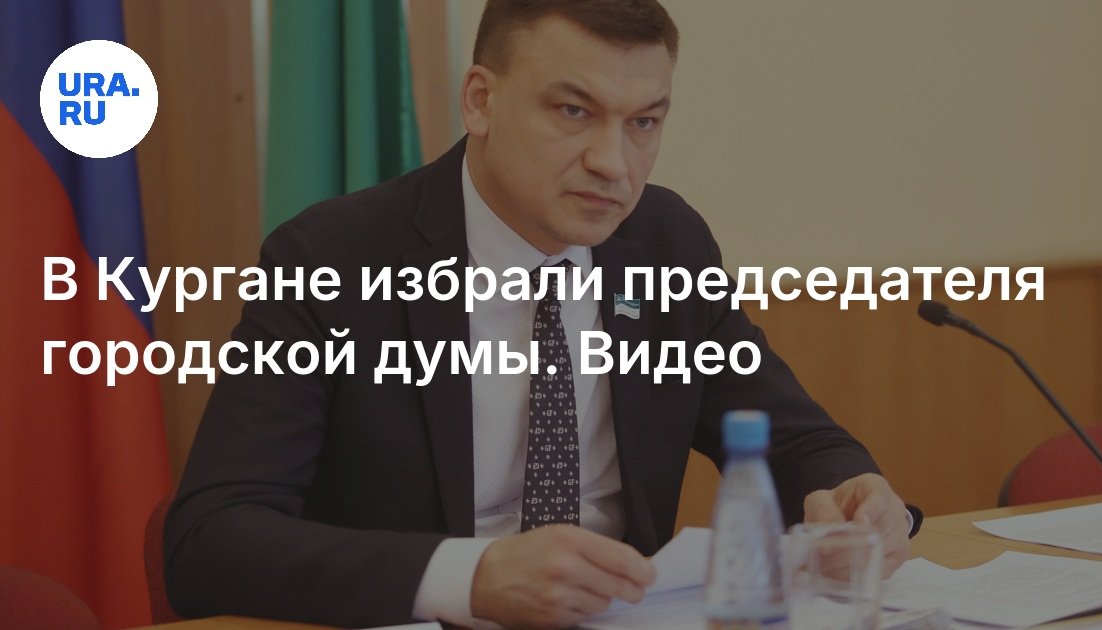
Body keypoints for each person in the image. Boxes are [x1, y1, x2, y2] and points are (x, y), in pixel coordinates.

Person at [164, 1, 919, 628]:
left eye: (644, 122)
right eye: (573, 111)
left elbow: (794, 437)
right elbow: (209, 538)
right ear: (481, 101)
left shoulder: (666, 245)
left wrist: (850, 487)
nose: (613, 162)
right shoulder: (335, 258)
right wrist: (473, 578)